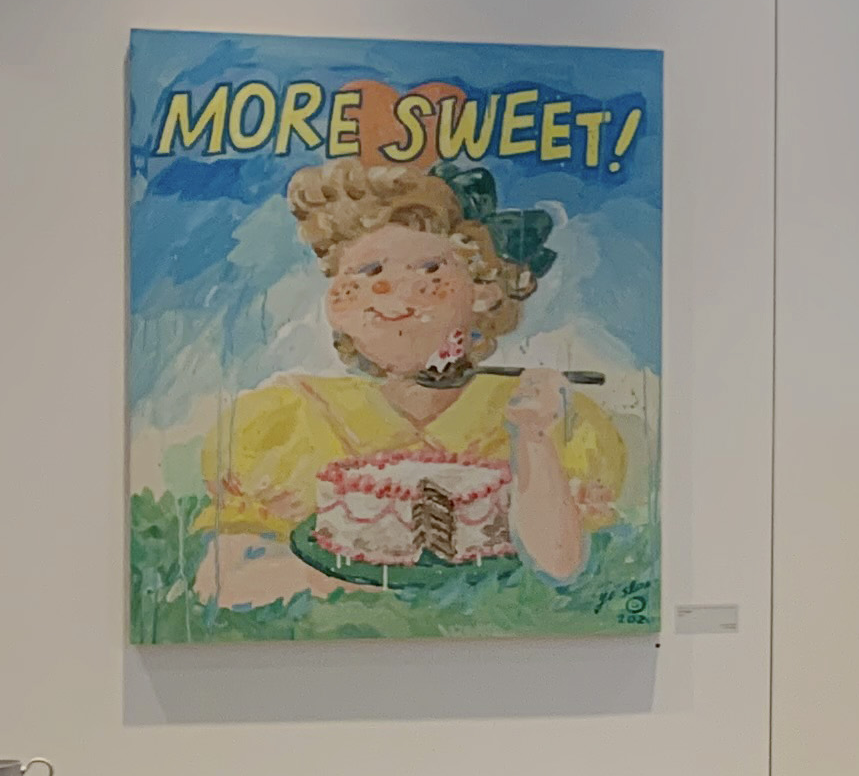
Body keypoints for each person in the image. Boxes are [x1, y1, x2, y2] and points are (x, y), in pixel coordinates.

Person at [196, 160, 625, 606]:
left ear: (484, 290)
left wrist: (534, 436)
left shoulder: (548, 417)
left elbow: (559, 569)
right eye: (369, 271)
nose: (395, 289)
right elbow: (219, 581)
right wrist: (352, 588)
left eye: (429, 269)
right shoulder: (286, 419)